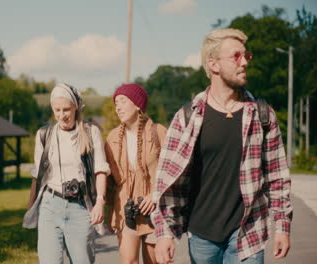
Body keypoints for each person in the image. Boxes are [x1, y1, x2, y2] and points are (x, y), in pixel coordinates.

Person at [152, 28, 292, 264]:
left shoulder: (263, 115)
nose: (244, 62)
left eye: (246, 56)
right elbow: (167, 181)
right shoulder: (187, 117)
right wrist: (164, 233)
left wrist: (282, 226)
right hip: (202, 235)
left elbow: (277, 176)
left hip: (248, 232)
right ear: (213, 64)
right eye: (236, 56)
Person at [23, 83, 110, 264]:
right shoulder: (44, 135)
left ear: (76, 108)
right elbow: (37, 175)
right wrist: (31, 207)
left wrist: (100, 202)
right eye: (57, 110)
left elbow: (100, 169)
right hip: (50, 205)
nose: (62, 115)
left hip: (79, 207)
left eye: (66, 110)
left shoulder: (90, 132)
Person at [104, 83, 167, 264]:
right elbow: (109, 181)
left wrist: (154, 195)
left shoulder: (159, 132)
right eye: (116, 103)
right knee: (129, 261)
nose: (118, 107)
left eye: (122, 101)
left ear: (138, 104)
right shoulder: (113, 138)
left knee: (154, 262)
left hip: (154, 210)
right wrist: (110, 212)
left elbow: (171, 172)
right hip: (126, 210)